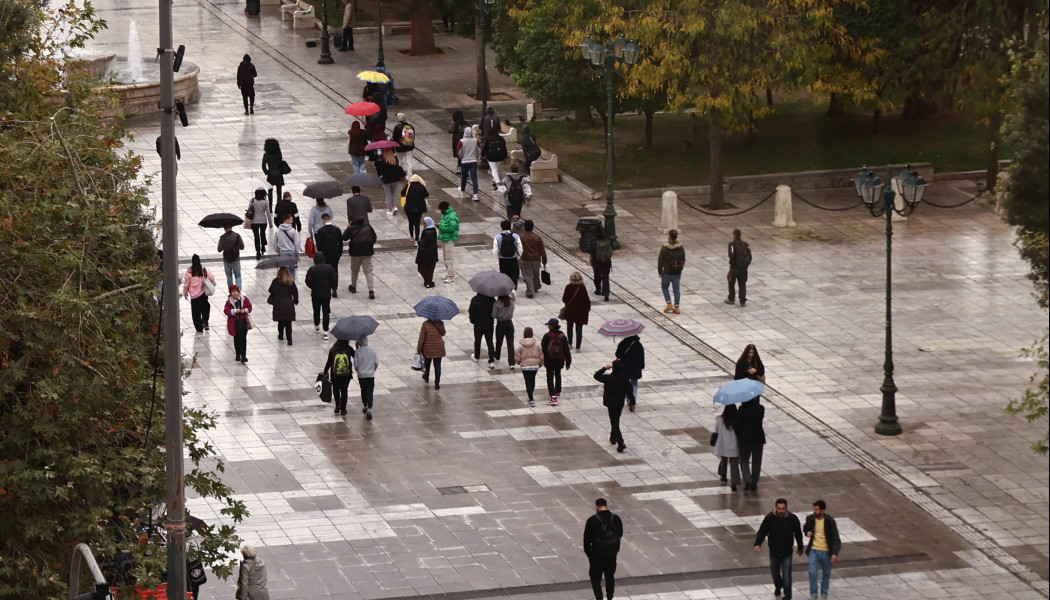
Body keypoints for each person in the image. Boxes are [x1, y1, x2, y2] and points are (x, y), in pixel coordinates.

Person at [754, 499, 805, 600]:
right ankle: (778, 585)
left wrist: (800, 547)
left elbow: (798, 533)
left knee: (787, 574)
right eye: (779, 509)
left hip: (787, 551)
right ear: (776, 508)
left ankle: (788, 595)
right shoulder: (769, 518)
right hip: (774, 551)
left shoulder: (792, 519)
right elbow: (763, 531)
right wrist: (758, 543)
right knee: (774, 572)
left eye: (783, 509)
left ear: (786, 508)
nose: (781, 511)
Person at [582, 498, 624, 600]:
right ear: (606, 506)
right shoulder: (616, 518)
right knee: (610, 577)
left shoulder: (592, 521)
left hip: (597, 556)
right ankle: (610, 597)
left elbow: (587, 540)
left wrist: (590, 555)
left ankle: (599, 598)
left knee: (596, 579)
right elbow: (620, 534)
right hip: (611, 555)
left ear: (597, 507)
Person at [804, 500, 841, 600]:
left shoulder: (829, 521)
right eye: (814, 509)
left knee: (826, 573)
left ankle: (824, 594)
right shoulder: (811, 519)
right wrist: (807, 532)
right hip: (814, 550)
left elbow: (835, 538)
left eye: (816, 510)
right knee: (812, 572)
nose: (814, 512)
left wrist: (834, 553)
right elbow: (805, 528)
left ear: (823, 510)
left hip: (826, 551)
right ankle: (813, 594)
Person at [594, 361, 633, 453]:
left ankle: (620, 442)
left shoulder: (609, 378)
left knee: (614, 422)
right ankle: (613, 437)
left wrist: (604, 368)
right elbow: (629, 392)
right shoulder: (624, 379)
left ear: (613, 368)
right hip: (619, 403)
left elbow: (596, 376)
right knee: (616, 420)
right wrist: (633, 402)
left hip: (610, 403)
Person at [342, 216, 377, 298]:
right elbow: (374, 238)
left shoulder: (351, 229)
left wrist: (348, 227)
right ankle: (371, 290)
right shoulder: (368, 228)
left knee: (354, 271)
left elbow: (344, 237)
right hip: (367, 253)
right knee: (368, 271)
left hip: (355, 253)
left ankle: (353, 286)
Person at [304, 251, 336, 340]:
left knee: (316, 309)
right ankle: (326, 330)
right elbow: (334, 280)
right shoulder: (330, 268)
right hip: (326, 293)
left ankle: (317, 325)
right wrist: (329, 287)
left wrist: (313, 287)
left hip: (316, 293)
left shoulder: (312, 269)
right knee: (326, 311)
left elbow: (308, 281)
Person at [541, 318, 571, 405]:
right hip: (559, 360)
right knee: (558, 374)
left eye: (548, 326)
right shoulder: (562, 336)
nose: (548, 327)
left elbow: (542, 348)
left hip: (549, 360)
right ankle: (558, 391)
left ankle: (553, 397)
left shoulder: (547, 336)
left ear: (551, 326)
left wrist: (543, 359)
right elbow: (566, 350)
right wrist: (568, 362)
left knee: (550, 378)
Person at [183, 254, 215, 334]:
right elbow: (212, 277)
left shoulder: (189, 271)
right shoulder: (203, 269)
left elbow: (187, 283)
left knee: (195, 311)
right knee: (205, 307)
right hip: (203, 293)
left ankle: (198, 328)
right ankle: (205, 321)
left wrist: (185, 292)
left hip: (193, 295)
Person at [314, 214, 344, 297]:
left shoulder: (320, 231)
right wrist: (340, 252)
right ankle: (334, 288)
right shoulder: (337, 230)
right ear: (330, 219)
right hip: (335, 254)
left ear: (323, 220)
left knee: (325, 271)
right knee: (335, 270)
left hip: (325, 254)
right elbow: (341, 243)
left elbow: (319, 245)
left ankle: (326, 287)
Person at [657, 229, 686, 314]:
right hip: (677, 271)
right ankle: (677, 307)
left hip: (667, 271)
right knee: (676, 289)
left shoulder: (665, 248)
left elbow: (660, 260)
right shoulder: (680, 247)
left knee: (664, 287)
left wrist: (660, 271)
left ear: (669, 236)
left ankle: (669, 303)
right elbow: (683, 258)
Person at [267, 267, 298, 346]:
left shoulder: (275, 282)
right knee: (288, 323)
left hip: (278, 304)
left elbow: (270, 290)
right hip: (288, 305)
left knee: (280, 321)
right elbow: (295, 293)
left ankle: (280, 335)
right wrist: (295, 301)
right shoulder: (291, 282)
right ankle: (289, 339)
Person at [324, 339, 355, 415]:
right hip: (346, 375)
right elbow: (356, 356)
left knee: (336, 389)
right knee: (344, 390)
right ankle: (343, 409)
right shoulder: (348, 348)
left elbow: (329, 362)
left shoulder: (333, 349)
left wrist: (325, 372)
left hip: (335, 374)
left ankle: (338, 405)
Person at [713, 404, 741, 491]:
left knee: (724, 461)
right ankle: (734, 483)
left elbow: (716, 431)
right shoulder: (737, 420)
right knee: (734, 464)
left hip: (723, 444)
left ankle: (723, 477)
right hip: (734, 445)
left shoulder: (720, 419)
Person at [614, 333, 644, 412]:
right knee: (634, 383)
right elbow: (642, 356)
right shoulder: (638, 344)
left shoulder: (623, 343)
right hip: (635, 368)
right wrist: (642, 366)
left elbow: (618, 355)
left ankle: (628, 400)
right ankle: (633, 400)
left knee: (625, 384)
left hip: (625, 367)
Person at [223, 285, 253, 364]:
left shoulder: (244, 299)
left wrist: (245, 310)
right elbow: (226, 311)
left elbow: (250, 308)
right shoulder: (229, 302)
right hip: (234, 323)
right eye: (233, 292)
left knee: (243, 339)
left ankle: (243, 355)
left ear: (238, 292)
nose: (235, 293)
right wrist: (235, 311)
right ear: (230, 293)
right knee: (236, 339)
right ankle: (238, 354)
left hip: (243, 322)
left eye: (236, 291)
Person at [561, 272, 591, 350]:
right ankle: (578, 347)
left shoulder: (568, 287)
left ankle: (570, 344)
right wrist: (587, 309)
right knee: (579, 330)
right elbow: (586, 300)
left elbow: (564, 299)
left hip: (570, 311)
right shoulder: (582, 288)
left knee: (569, 328)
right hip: (580, 313)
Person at [518, 220, 547, 298]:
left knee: (528, 275)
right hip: (536, 259)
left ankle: (530, 290)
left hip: (525, 259)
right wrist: (544, 260)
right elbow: (542, 250)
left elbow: (518, 249)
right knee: (536, 274)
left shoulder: (521, 237)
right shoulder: (537, 237)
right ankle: (536, 286)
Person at [515, 327, 543, 407]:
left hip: (525, 367)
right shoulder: (537, 345)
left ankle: (531, 399)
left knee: (527, 381)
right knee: (532, 380)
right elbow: (541, 356)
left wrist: (519, 362)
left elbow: (517, 355)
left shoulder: (520, 346)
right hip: (534, 366)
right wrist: (540, 364)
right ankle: (531, 393)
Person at [468, 292, 496, 368]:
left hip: (478, 324)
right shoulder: (491, 299)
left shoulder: (475, 299)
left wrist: (473, 321)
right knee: (489, 341)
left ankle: (476, 356)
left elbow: (471, 311)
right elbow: (494, 311)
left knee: (477, 340)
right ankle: (491, 360)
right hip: (489, 324)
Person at [417, 318, 446, 390]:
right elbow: (443, 333)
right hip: (438, 348)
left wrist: (419, 348)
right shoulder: (440, 323)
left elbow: (422, 338)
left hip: (428, 348)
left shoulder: (425, 324)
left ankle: (426, 376)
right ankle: (437, 383)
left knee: (427, 363)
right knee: (437, 365)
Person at [725, 228, 752, 307]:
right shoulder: (746, 244)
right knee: (742, 284)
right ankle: (742, 301)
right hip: (744, 268)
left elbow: (731, 256)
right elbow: (750, 256)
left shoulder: (732, 244)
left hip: (735, 268)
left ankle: (731, 298)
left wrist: (731, 267)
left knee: (731, 282)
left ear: (734, 235)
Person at [493, 220, 523, 288]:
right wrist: (518, 257)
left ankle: (505, 289)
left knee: (504, 275)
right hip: (513, 259)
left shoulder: (498, 237)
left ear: (501, 227)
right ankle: (513, 289)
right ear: (510, 227)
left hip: (503, 260)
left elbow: (495, 250)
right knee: (514, 275)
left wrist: (498, 259)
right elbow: (520, 248)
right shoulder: (515, 236)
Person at [375, 148, 406, 216]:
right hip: (395, 179)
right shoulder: (394, 158)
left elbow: (379, 170)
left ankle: (390, 209)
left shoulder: (382, 161)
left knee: (388, 194)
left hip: (386, 180)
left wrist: (380, 177)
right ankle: (394, 206)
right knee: (393, 193)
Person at [355, 336, 379, 419]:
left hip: (361, 375)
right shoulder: (372, 350)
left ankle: (365, 404)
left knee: (363, 390)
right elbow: (376, 362)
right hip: (370, 375)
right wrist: (373, 370)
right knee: (370, 391)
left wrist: (359, 370)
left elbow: (356, 364)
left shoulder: (358, 351)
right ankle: (369, 407)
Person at [402, 174, 429, 243]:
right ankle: (417, 239)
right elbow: (426, 194)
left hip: (409, 208)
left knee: (410, 222)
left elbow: (402, 193)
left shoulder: (408, 186)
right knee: (417, 223)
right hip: (419, 208)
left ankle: (411, 236)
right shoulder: (421, 187)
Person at [437, 201, 459, 283]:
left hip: (449, 239)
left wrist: (440, 227)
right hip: (444, 238)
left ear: (444, 208)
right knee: (445, 258)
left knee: (449, 259)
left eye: (441, 209)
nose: (440, 211)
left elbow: (451, 228)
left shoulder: (452, 216)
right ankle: (450, 273)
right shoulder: (444, 215)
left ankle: (451, 276)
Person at [217, 224, 245, 290]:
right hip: (236, 259)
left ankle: (231, 292)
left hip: (226, 260)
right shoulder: (237, 236)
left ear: (224, 228)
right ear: (231, 227)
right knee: (238, 275)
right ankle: (238, 291)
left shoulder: (222, 238)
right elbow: (242, 247)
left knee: (229, 276)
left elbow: (219, 249)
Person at [590, 223, 613, 301]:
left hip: (597, 261)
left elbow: (591, 251)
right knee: (605, 277)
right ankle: (606, 293)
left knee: (597, 275)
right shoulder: (607, 239)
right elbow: (611, 249)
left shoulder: (594, 240)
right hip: (606, 261)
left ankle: (598, 290)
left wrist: (591, 260)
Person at [492, 293, 516, 369]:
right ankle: (512, 362)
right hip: (509, 323)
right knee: (510, 343)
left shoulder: (497, 303)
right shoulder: (511, 302)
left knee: (499, 341)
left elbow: (494, 315)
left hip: (501, 323)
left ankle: (497, 356)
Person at [274, 213, 300, 279]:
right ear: (287, 220)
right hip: (292, 253)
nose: (292, 221)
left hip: (282, 253)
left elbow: (274, 243)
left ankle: (284, 286)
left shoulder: (278, 231)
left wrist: (278, 250)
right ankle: (292, 285)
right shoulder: (293, 231)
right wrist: (297, 254)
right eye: (291, 220)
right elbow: (297, 243)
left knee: (283, 272)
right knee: (292, 270)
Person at [261, 138, 285, 208]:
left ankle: (270, 207)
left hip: (271, 174)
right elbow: (280, 163)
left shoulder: (266, 155)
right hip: (279, 174)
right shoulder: (279, 154)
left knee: (270, 191)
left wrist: (267, 172)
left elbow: (263, 166)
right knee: (279, 192)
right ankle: (279, 206)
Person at [457, 127, 480, 201]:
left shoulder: (461, 141)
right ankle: (475, 194)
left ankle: (463, 191)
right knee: (474, 178)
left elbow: (459, 152)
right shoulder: (475, 140)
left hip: (465, 161)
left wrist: (462, 158)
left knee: (464, 177)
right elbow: (479, 150)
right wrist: (476, 156)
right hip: (473, 161)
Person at [392, 112, 416, 180]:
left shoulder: (397, 127)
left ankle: (400, 175)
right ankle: (409, 176)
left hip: (400, 148)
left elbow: (395, 138)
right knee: (409, 162)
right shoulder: (410, 125)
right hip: (409, 147)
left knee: (400, 161)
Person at [416, 216, 439, 287]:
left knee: (423, 268)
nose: (424, 224)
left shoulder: (428, 232)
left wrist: (419, 241)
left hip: (426, 254)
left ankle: (428, 282)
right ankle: (428, 281)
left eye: (425, 223)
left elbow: (424, 243)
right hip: (431, 254)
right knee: (429, 269)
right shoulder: (432, 230)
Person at [248, 188, 271, 259]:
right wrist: (270, 223)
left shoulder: (252, 201)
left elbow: (249, 210)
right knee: (262, 234)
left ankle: (258, 251)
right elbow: (268, 213)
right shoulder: (265, 202)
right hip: (263, 221)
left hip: (254, 221)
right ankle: (263, 246)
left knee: (256, 237)